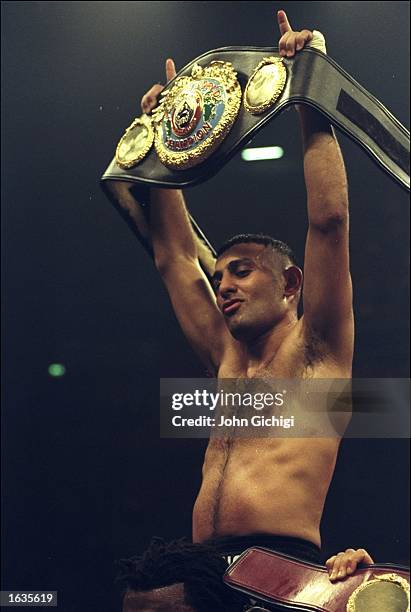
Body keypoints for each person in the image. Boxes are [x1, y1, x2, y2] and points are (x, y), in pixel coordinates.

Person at [113, 9, 375, 611]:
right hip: (203, 565)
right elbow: (175, 259)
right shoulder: (226, 360)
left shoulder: (319, 355)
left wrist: (310, 91)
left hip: (280, 571)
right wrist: (162, 147)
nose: (222, 284)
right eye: (221, 273)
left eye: (241, 271)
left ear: (290, 284)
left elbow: (329, 222)